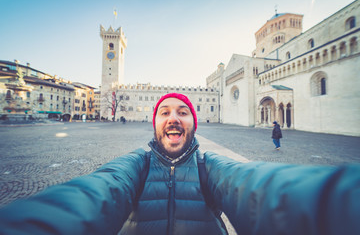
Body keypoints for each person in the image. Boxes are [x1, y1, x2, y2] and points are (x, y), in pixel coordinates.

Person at [0, 93, 359, 235]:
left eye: (183, 112)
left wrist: (334, 202)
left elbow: (256, 186)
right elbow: (99, 191)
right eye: (165, 112)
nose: (174, 118)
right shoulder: (137, 164)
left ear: (193, 123)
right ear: (155, 123)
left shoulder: (209, 165)